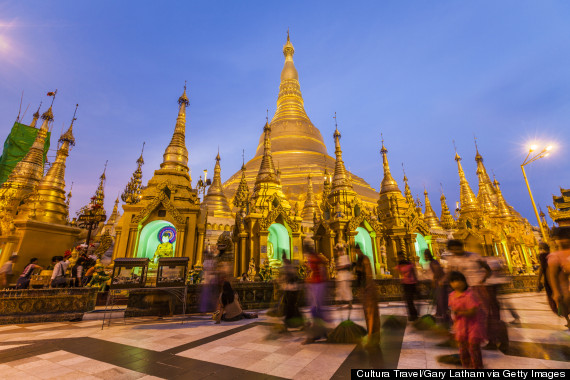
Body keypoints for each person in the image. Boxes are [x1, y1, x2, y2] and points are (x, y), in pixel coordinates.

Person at [448, 271, 485, 369]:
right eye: (453, 281)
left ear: (464, 282)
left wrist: (460, 313)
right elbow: (452, 309)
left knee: (474, 349)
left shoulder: (469, 295)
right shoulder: (451, 295)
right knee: (463, 350)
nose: (456, 284)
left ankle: (478, 368)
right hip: (460, 326)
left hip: (472, 325)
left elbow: (473, 311)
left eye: (459, 281)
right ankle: (466, 367)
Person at [355, 245, 381, 348]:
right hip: (365, 289)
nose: (356, 253)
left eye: (356, 251)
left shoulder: (364, 259)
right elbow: (359, 275)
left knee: (371, 314)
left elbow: (367, 274)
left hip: (369, 288)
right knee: (367, 314)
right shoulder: (359, 259)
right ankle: (372, 335)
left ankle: (371, 337)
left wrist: (366, 287)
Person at [547, 226, 570, 329]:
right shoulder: (555, 256)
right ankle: (568, 320)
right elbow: (552, 274)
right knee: (566, 301)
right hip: (564, 287)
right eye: (562, 238)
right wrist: (555, 291)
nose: (564, 241)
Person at [424, 249, 449, 326]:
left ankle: (445, 316)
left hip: (440, 282)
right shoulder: (433, 262)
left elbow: (437, 271)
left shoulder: (433, 262)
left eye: (425, 255)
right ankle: (439, 313)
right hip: (439, 282)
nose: (424, 257)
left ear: (427, 255)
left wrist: (434, 280)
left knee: (441, 300)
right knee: (438, 298)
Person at [279, 256, 303, 328]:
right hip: (290, 289)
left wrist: (284, 280)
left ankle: (287, 323)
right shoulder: (288, 268)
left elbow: (291, 278)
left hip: (292, 290)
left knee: (290, 307)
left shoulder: (289, 268)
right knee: (291, 307)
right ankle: (300, 322)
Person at [395, 252, 419, 322]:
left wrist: (416, 282)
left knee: (410, 301)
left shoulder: (409, 264)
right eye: (399, 257)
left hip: (411, 284)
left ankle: (414, 315)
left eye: (401, 257)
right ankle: (412, 315)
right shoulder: (400, 265)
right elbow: (399, 272)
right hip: (405, 284)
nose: (400, 258)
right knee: (408, 301)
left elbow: (414, 273)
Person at [537, 242, 557, 315]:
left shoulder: (542, 256)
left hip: (548, 278)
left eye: (540, 248)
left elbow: (542, 269)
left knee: (552, 296)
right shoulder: (553, 255)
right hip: (555, 276)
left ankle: (563, 315)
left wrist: (538, 280)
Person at [335, 244, 353, 310]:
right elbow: (337, 267)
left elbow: (348, 265)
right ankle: (338, 304)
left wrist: (341, 267)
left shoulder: (346, 257)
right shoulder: (338, 258)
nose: (339, 253)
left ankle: (350, 304)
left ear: (343, 251)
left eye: (340, 251)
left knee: (346, 290)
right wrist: (338, 267)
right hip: (340, 276)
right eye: (338, 252)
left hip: (345, 276)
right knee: (339, 291)